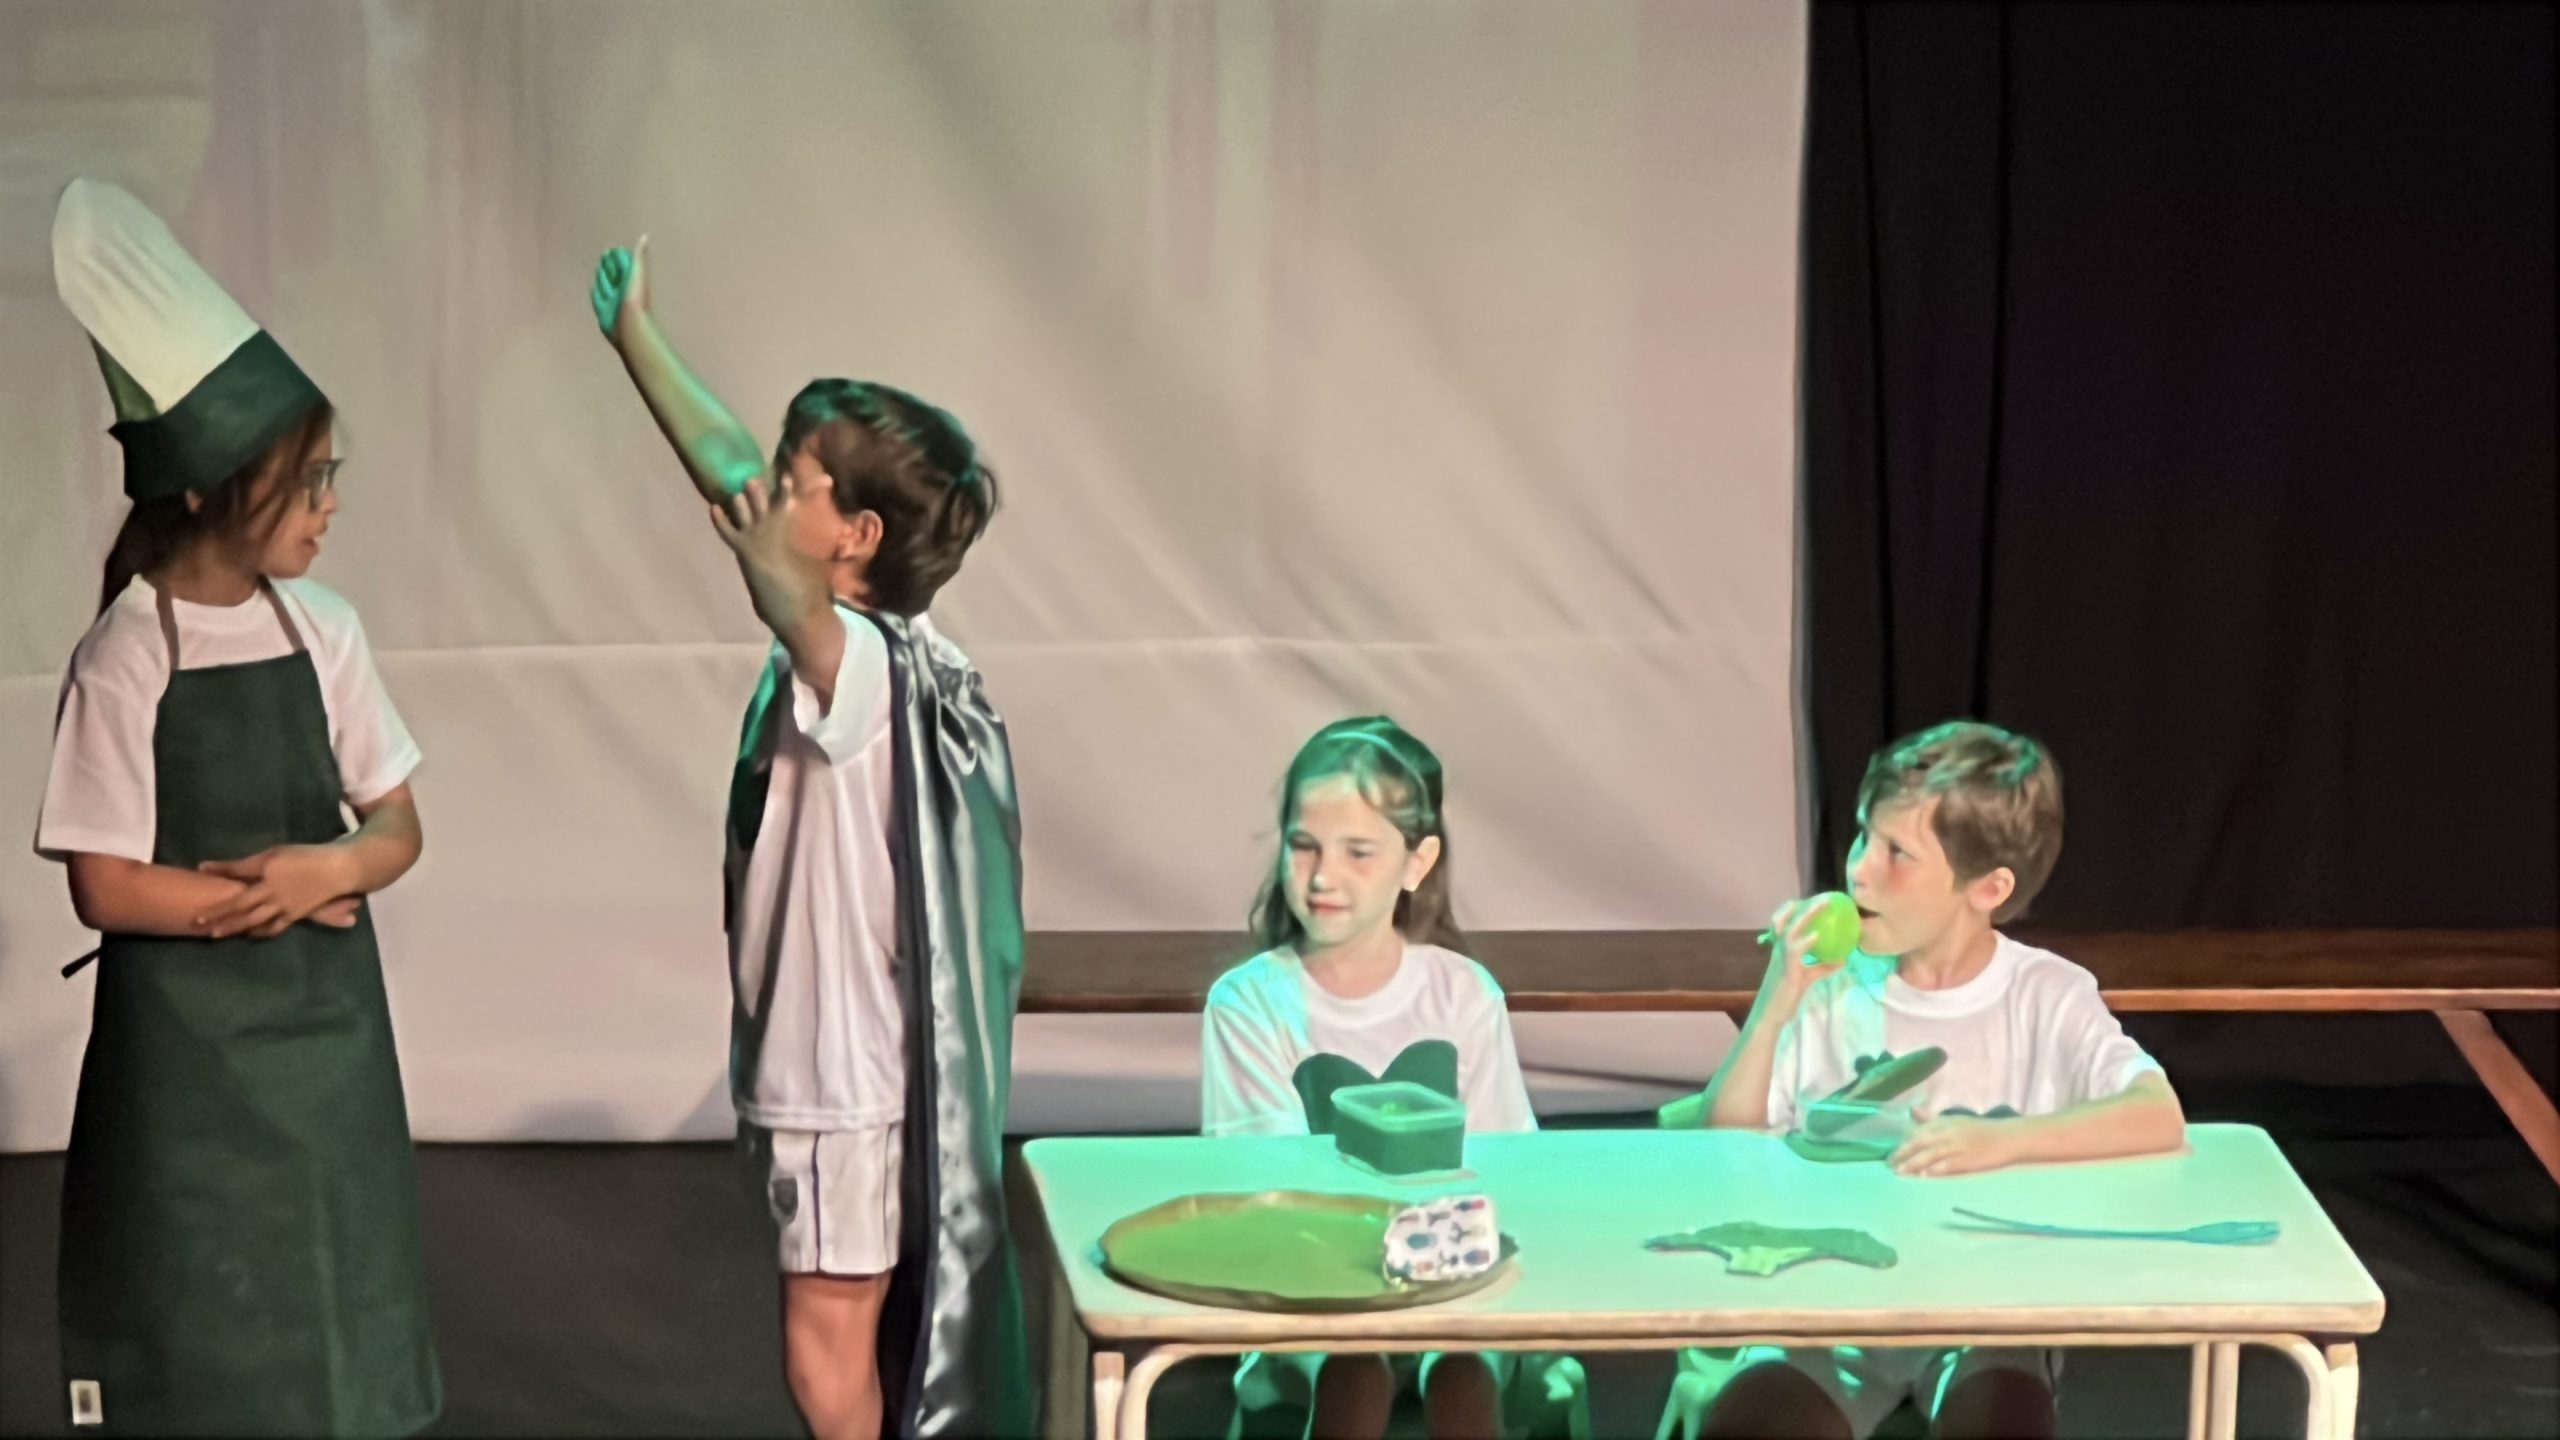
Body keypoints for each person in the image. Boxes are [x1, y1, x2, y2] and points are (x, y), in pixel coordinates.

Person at [592, 237, 1030, 1438]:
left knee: (825, 1353)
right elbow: (733, 468)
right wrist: (637, 338)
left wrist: (769, 567)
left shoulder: (857, 668)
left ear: (857, 537)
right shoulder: (908, 654)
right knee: (850, 1340)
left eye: (798, 486)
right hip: (861, 1070)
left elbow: (778, 584)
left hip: (840, 1082)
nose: (765, 496)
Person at [39, 178, 440, 1435]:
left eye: (330, 476)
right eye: (309, 481)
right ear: (216, 488)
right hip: (187, 1058)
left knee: (334, 1279)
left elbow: (396, 826)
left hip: (327, 1039)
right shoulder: (127, 654)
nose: (331, 505)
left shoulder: (326, 629)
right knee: (199, 1302)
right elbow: (104, 883)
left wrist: (332, 870)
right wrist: (257, 899)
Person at [1659, 721, 2185, 1440]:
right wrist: (1777, 1001)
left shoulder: (2045, 993)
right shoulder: (1830, 985)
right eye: (1862, 837)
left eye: (1897, 853)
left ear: (1988, 887)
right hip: (1825, 1312)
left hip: (1985, 1315)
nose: (1858, 871)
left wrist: (2002, 1141)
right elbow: (1723, 1142)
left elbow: (2157, 1112)